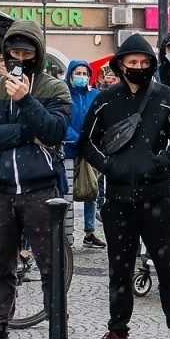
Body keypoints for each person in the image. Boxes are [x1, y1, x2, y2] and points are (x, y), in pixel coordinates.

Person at [78, 35, 170, 339]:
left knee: (167, 267)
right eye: (132, 63)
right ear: (120, 65)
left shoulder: (166, 97)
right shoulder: (105, 100)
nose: (138, 68)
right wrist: (107, 166)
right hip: (117, 199)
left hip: (158, 197)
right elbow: (85, 142)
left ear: (151, 65)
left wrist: (160, 162)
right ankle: (117, 333)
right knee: (119, 269)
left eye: (144, 63)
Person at [0, 21, 72, 339]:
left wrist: (27, 101)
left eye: (27, 52)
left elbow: (56, 130)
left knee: (49, 266)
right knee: (2, 264)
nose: (20, 57)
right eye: (15, 51)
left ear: (38, 54)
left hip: (39, 189)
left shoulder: (55, 89)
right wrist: (26, 133)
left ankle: (59, 332)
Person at [63, 59, 104, 248]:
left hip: (90, 150)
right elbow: (62, 122)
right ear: (70, 75)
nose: (81, 77)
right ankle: (66, 234)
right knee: (67, 193)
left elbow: (100, 120)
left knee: (91, 192)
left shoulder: (95, 95)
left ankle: (89, 232)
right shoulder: (63, 95)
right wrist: (76, 138)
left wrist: (90, 139)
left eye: (84, 73)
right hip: (68, 149)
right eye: (77, 73)